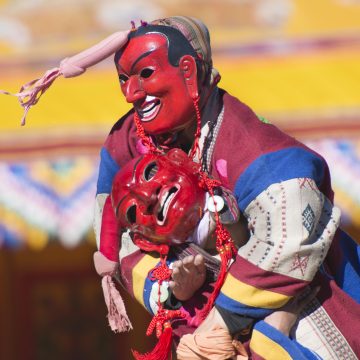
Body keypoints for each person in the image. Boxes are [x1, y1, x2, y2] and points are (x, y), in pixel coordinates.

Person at [3, 15, 360, 359]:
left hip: (297, 310)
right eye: (123, 79)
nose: (131, 94)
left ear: (188, 70)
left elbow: (288, 241)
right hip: (195, 321)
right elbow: (117, 234)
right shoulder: (126, 143)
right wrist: (173, 288)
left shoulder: (261, 155)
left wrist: (219, 324)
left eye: (145, 74)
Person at [108, 148, 323, 359]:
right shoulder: (174, 288)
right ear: (145, 241)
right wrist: (272, 334)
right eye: (133, 209)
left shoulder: (261, 193)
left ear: (178, 159)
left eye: (150, 172)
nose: (148, 196)